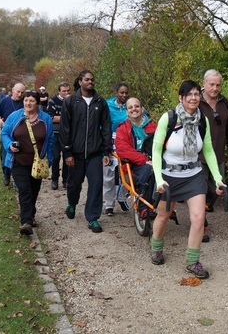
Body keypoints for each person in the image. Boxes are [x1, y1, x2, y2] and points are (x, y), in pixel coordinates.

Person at [150, 80, 226, 279]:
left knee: (198, 218)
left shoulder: (203, 121)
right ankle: (156, 247)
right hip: (169, 176)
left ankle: (193, 261)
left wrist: (218, 178)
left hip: (193, 175)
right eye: (189, 95)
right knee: (164, 216)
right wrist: (159, 179)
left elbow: (208, 151)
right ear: (181, 98)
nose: (194, 98)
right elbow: (156, 151)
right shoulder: (169, 118)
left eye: (196, 94)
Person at [60, 70, 112, 233]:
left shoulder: (100, 102)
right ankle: (72, 203)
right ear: (80, 81)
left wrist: (106, 151)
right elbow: (64, 129)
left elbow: (107, 127)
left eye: (92, 80)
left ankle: (93, 218)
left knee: (96, 185)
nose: (90, 82)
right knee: (74, 184)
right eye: (87, 79)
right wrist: (67, 153)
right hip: (75, 153)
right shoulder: (71, 102)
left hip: (95, 153)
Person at [1, 91, 54, 235]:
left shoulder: (46, 119)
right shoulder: (15, 116)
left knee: (34, 191)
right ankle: (26, 222)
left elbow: (50, 140)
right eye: (26, 100)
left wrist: (49, 159)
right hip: (18, 161)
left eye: (31, 101)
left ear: (37, 103)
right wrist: (9, 145)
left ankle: (30, 213)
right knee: (24, 190)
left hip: (37, 162)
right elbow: (4, 133)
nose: (28, 103)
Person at [198, 69, 228, 242]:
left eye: (218, 85)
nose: (215, 88)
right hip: (198, 157)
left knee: (217, 189)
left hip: (218, 155)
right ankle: (202, 224)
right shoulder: (196, 102)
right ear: (204, 84)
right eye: (211, 84)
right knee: (199, 190)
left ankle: (203, 209)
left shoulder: (225, 103)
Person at [114, 97, 157, 218]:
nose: (134, 109)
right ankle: (144, 207)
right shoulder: (123, 129)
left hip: (154, 160)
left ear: (142, 108)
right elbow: (123, 149)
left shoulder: (154, 126)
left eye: (136, 106)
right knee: (148, 170)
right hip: (133, 164)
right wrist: (144, 160)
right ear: (127, 111)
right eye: (130, 107)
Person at [103, 83, 132, 215]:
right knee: (108, 175)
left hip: (126, 142)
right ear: (116, 93)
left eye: (126, 93)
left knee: (127, 173)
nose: (124, 95)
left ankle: (121, 196)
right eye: (121, 93)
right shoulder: (108, 106)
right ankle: (109, 204)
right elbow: (102, 124)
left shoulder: (130, 106)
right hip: (110, 141)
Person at [0, 83, 26, 186]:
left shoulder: (25, 102)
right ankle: (6, 174)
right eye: (18, 91)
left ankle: (18, 180)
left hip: (21, 133)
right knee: (5, 155)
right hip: (6, 133)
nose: (20, 94)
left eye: (22, 92)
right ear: (13, 90)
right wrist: (0, 121)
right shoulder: (4, 101)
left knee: (20, 156)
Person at [47, 82, 71, 190]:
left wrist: (61, 117)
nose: (66, 93)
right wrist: (66, 118)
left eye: (68, 91)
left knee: (68, 157)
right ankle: (54, 179)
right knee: (56, 157)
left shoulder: (72, 101)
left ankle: (65, 180)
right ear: (59, 91)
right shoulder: (53, 101)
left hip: (68, 134)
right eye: (64, 91)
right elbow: (51, 117)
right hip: (56, 133)